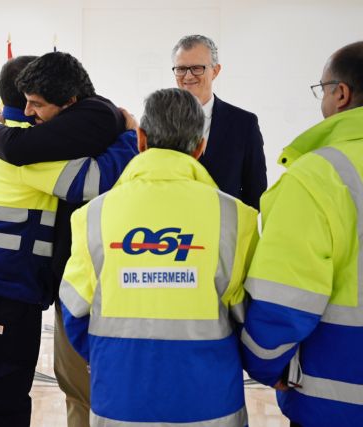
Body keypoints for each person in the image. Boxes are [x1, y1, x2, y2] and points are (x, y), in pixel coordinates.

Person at [0, 55, 137, 427]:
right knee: (2, 401)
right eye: (31, 101)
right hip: (2, 292)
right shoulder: (29, 154)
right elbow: (92, 181)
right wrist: (131, 136)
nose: (34, 111)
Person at [60, 88, 259, 426]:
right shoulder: (236, 218)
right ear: (200, 147)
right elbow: (251, 316)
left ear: (140, 139)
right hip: (210, 405)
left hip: (120, 402)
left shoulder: (93, 215)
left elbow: (74, 311)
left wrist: (115, 361)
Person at [241, 41, 363, 427]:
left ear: (339, 93)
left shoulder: (318, 176)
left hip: (339, 400)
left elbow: (283, 300)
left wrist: (266, 365)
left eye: (322, 89)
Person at [172, 34, 267, 210]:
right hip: (172, 233)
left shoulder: (244, 124)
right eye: (181, 68)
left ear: (215, 71)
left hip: (223, 233)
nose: (188, 76)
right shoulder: (160, 122)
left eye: (197, 68)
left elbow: (256, 193)